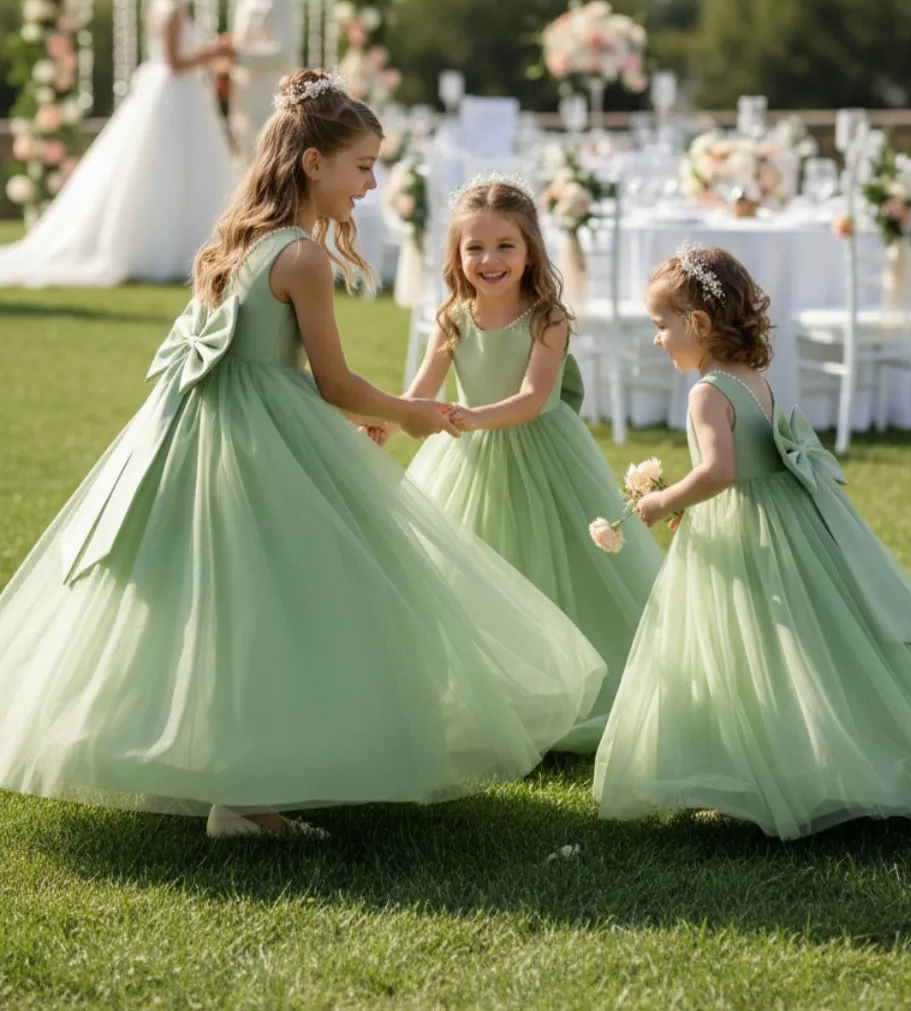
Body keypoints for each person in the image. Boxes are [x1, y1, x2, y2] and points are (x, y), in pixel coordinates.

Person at [0, 72, 603, 839]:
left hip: (195, 435)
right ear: (314, 164)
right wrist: (409, 413)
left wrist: (386, 415)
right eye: (362, 167)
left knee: (216, 602)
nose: (371, 185)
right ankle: (247, 798)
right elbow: (334, 382)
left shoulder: (238, 241)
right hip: (258, 441)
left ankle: (216, 776)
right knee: (291, 598)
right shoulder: (303, 259)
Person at [594, 242, 911, 839]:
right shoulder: (750, 377)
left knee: (748, 646)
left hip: (746, 525)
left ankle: (767, 775)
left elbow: (720, 471)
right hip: (783, 519)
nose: (657, 339)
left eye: (661, 325)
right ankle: (786, 765)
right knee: (798, 647)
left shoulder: (707, 392)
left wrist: (663, 501)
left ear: (698, 323)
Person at [367, 177, 662, 752]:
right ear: (457, 253)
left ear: (530, 250)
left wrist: (471, 417)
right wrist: (389, 422)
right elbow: (420, 394)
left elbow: (532, 398)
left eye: (505, 245)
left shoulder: (547, 319)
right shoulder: (453, 318)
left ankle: (576, 689)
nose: (490, 260)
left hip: (543, 459)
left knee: (556, 570)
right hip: (467, 460)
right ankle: (489, 691)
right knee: (467, 573)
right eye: (474, 247)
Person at [0, 0, 234, 287]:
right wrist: (213, 51)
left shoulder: (162, 5)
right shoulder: (170, 9)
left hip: (175, 94)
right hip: (175, 92)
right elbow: (174, 62)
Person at [228, 0, 298, 164]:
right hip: (242, 99)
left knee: (270, 162)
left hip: (268, 97)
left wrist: (237, 55)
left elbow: (284, 51)